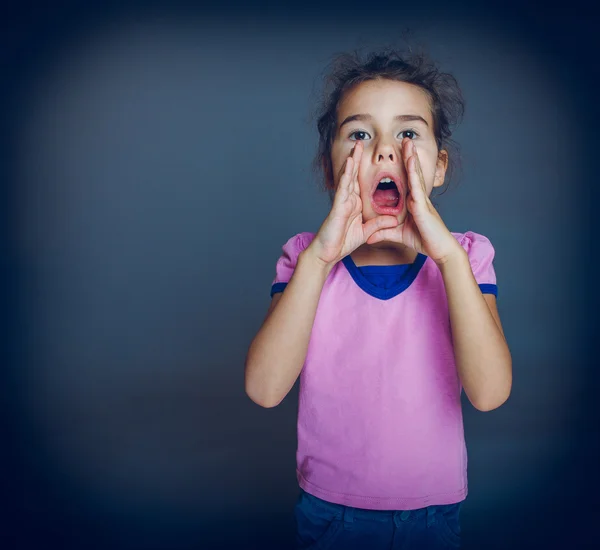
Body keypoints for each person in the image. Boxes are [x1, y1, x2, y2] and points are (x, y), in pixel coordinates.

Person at [244, 47, 512, 549]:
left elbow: (491, 393)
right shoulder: (306, 259)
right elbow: (264, 389)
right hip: (330, 514)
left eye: (408, 133)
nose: (386, 150)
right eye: (360, 134)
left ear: (439, 168)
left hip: (433, 514)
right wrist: (320, 260)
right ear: (331, 170)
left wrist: (449, 260)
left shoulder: (466, 258)